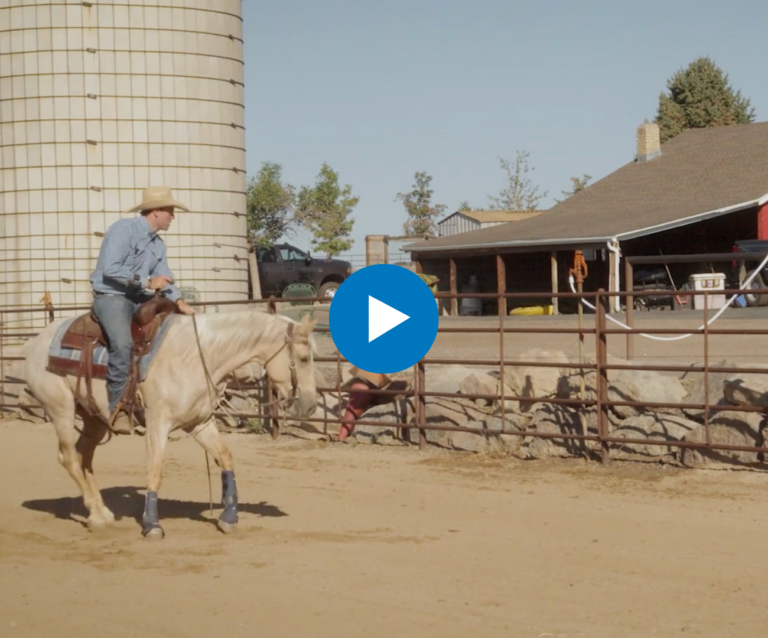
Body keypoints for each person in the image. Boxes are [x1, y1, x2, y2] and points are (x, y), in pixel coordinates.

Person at [89, 186, 196, 434]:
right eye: (170, 211)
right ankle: (116, 409)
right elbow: (110, 268)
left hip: (137, 297)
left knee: (171, 334)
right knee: (123, 345)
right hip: (111, 296)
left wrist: (180, 304)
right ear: (156, 211)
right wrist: (147, 283)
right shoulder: (124, 230)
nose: (173, 216)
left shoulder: (158, 245)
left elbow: (164, 277)